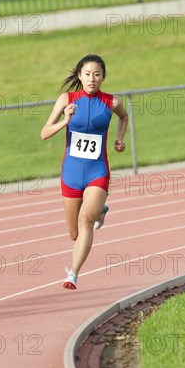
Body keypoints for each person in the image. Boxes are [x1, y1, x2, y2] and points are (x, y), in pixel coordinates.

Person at [40, 54, 128, 290]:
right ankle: (101, 211)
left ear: (103, 77)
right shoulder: (66, 99)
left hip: (97, 171)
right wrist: (65, 120)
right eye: (87, 74)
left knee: (85, 221)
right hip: (71, 173)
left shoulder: (112, 102)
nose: (92, 79)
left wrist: (120, 139)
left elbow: (124, 117)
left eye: (97, 74)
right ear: (80, 76)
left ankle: (73, 274)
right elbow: (44, 133)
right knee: (74, 234)